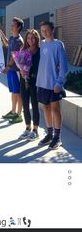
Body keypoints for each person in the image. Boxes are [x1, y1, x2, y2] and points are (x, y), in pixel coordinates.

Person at [36, 21, 68, 149]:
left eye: (46, 30)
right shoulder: (42, 44)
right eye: (42, 30)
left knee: (56, 110)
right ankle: (49, 134)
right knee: (46, 109)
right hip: (42, 83)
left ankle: (57, 137)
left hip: (53, 84)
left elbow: (64, 67)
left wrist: (59, 83)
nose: (44, 32)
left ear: (52, 30)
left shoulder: (58, 45)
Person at [0, 17, 24, 123]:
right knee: (13, 92)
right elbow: (8, 44)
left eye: (13, 25)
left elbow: (15, 56)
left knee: (18, 92)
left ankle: (18, 114)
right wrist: (1, 35)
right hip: (11, 70)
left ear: (18, 27)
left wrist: (7, 67)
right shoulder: (12, 38)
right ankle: (13, 111)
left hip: (16, 70)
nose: (11, 26)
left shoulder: (19, 41)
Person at [18, 29, 41, 141]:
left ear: (36, 39)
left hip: (35, 81)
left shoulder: (40, 51)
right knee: (25, 105)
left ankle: (35, 130)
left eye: (33, 38)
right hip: (24, 80)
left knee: (35, 105)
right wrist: (21, 70)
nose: (30, 40)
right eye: (28, 38)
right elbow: (20, 65)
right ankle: (28, 127)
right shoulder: (23, 50)